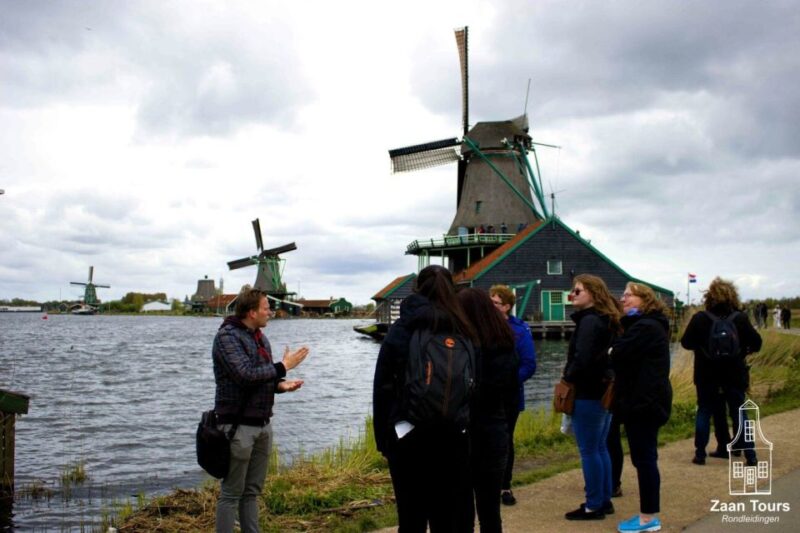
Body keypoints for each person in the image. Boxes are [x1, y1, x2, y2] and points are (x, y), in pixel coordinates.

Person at [373, 265, 476, 532]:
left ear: (417, 289)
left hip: (410, 433)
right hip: (453, 434)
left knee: (411, 516)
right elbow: (475, 383)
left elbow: (383, 386)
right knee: (447, 515)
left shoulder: (404, 327)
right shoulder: (462, 327)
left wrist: (384, 439)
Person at [213, 288, 309, 533]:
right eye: (267, 307)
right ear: (252, 311)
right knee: (232, 493)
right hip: (238, 426)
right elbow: (245, 375)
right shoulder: (227, 337)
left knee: (252, 492)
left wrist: (280, 385)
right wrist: (283, 366)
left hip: (262, 424)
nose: (271, 312)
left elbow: (262, 377)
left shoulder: (260, 338)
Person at [609, 282, 672, 533]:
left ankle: (648, 518)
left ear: (644, 300)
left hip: (644, 403)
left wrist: (613, 349)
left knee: (644, 459)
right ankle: (649, 515)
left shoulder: (646, 327)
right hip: (647, 400)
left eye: (628, 296)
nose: (623, 300)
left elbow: (617, 353)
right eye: (623, 295)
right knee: (645, 458)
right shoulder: (649, 325)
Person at [681, 277, 762, 467]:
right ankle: (750, 454)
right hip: (734, 373)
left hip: (706, 374)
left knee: (705, 411)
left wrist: (702, 348)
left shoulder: (700, 318)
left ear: (708, 297)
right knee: (739, 412)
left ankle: (700, 453)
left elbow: (685, 342)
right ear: (733, 297)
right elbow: (757, 343)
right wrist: (742, 350)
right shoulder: (740, 318)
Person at [458, 288, 518, 533]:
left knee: (462, 509)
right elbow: (511, 389)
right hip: (494, 431)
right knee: (490, 510)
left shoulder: (464, 346)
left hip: (465, 434)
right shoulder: (505, 341)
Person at [562, 274, 621, 521]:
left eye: (578, 291)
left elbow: (582, 358)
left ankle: (594, 504)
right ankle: (603, 499)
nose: (572, 295)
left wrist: (568, 377)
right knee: (599, 447)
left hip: (587, 392)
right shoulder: (606, 320)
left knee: (589, 450)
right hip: (602, 389)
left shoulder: (589, 322)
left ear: (593, 295)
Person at [489, 284, 537, 506]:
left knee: (505, 440)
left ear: (506, 307)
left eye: (496, 303)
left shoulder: (519, 330)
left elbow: (528, 364)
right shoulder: (481, 326)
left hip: (508, 395)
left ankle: (504, 485)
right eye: (490, 301)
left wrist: (507, 382)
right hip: (485, 394)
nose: (491, 305)